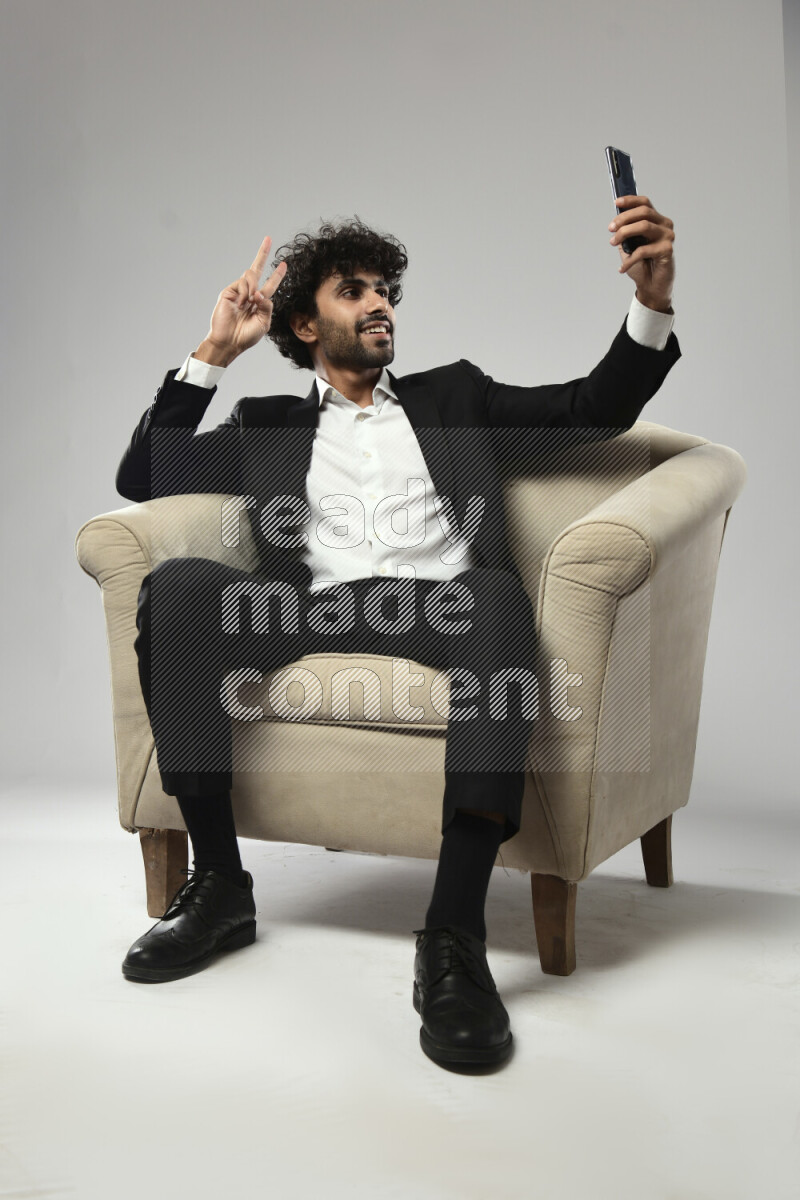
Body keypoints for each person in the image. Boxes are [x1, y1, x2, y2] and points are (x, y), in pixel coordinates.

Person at [115, 201, 679, 1070]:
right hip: (305, 607)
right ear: (306, 323)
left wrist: (650, 302)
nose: (380, 304)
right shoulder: (268, 421)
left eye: (386, 291)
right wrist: (212, 354)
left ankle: (452, 938)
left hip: (435, 605)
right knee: (179, 588)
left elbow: (591, 409)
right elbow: (145, 477)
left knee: (495, 598)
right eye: (354, 291)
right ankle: (222, 886)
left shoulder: (455, 395)